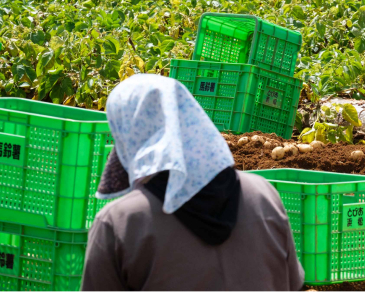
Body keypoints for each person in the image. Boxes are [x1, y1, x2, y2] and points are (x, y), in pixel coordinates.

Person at [82, 74, 304, 291]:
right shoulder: (264, 195)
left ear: (125, 135)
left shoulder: (120, 222)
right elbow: (292, 283)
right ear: (191, 118)